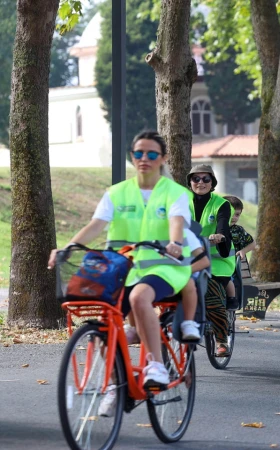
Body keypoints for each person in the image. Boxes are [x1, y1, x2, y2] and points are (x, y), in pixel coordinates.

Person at [47, 130, 192, 391]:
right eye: (138, 153)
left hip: (164, 266)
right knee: (103, 328)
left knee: (139, 298)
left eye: (151, 154)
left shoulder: (174, 192)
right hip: (123, 267)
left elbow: (176, 221)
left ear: (163, 158)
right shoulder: (117, 192)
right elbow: (96, 225)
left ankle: (156, 365)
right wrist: (67, 247)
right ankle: (116, 387)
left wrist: (175, 243)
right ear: (132, 157)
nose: (143, 158)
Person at [187, 164, 235, 357]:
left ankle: (221, 339)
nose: (201, 183)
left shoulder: (221, 204)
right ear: (190, 182)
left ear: (212, 183)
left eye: (206, 179)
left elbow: (223, 225)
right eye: (196, 179)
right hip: (188, 258)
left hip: (216, 260)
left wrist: (220, 236)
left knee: (211, 292)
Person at [223, 195, 256, 300]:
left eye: (237, 215)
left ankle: (232, 300)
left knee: (230, 281)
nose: (234, 217)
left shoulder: (238, 230)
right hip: (216, 262)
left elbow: (252, 243)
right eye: (231, 213)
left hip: (232, 266)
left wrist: (243, 251)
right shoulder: (213, 228)